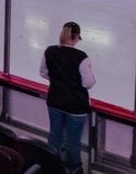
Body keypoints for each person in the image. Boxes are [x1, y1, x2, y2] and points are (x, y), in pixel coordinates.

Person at [41, 21, 96, 173]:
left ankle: (52, 165)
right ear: (77, 36)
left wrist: (58, 81)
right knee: (73, 140)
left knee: (55, 134)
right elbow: (88, 83)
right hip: (76, 105)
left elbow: (43, 72)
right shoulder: (81, 57)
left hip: (55, 100)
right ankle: (74, 168)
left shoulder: (50, 51)